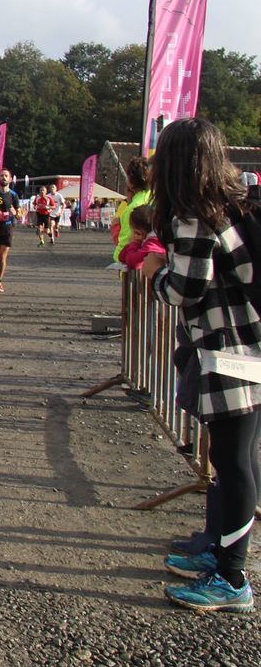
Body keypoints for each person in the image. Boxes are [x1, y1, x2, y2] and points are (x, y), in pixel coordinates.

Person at [141, 118, 260, 613]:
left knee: (233, 463)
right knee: (241, 458)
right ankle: (222, 554)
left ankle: (232, 577)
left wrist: (154, 274)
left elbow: (186, 288)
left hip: (226, 352)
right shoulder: (232, 204)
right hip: (249, 345)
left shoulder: (194, 214)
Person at [112, 156, 151, 263]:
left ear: (131, 181)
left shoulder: (133, 208)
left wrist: (117, 257)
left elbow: (125, 242)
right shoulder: (155, 199)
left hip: (137, 264)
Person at [0, 168, 20, 293]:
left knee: (2, 257)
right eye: (1, 175)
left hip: (7, 228)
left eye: (6, 176)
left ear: (10, 179)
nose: (3, 177)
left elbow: (19, 214)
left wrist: (16, 213)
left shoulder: (13, 195)